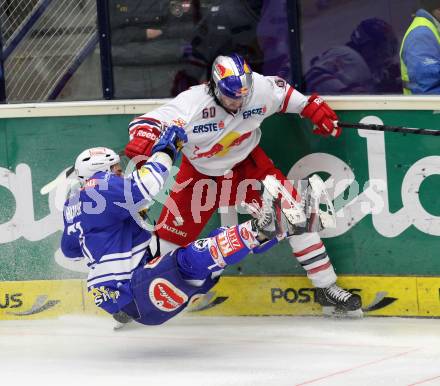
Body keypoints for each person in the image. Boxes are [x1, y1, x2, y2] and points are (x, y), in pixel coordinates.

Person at [125, 53, 363, 316]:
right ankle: (131, 297)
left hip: (249, 165)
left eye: (243, 95)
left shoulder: (258, 88)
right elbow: (149, 121)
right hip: (201, 175)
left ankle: (326, 287)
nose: (238, 102)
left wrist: (313, 109)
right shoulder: (193, 103)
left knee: (295, 214)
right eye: (231, 97)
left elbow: (286, 97)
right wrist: (144, 137)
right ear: (215, 88)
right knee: (168, 241)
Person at [60, 126, 317, 326]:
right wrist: (166, 151)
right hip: (136, 288)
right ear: (100, 170)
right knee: (189, 258)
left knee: (210, 261)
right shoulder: (100, 186)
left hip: (130, 297)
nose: (119, 172)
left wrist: (116, 226)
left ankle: (272, 230)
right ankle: (260, 230)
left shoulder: (73, 205)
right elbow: (147, 185)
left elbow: (71, 249)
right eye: (115, 168)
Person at [304, 18, 401, 94]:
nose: (386, 54)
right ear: (367, 46)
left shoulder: (353, 59)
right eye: (383, 48)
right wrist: (352, 95)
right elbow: (314, 76)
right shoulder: (351, 57)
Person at [400, 0, 440, 94]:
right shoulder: (421, 35)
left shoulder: (432, 29)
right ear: (437, 9)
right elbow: (428, 89)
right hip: (427, 108)